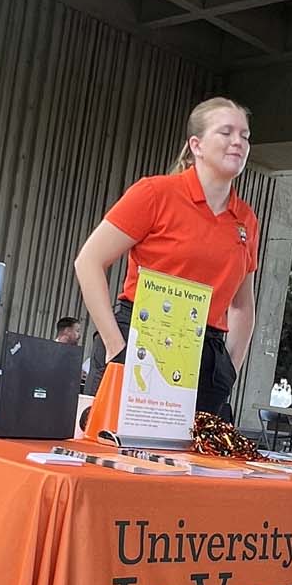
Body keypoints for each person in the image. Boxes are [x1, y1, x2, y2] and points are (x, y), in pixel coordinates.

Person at [75, 97, 257, 420]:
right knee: (114, 455)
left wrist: (230, 367)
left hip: (207, 354)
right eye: (226, 132)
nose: (238, 142)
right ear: (196, 145)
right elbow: (88, 261)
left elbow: (242, 305)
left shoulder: (246, 220)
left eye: (244, 135)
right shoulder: (154, 193)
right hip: (140, 338)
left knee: (191, 467)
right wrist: (117, 348)